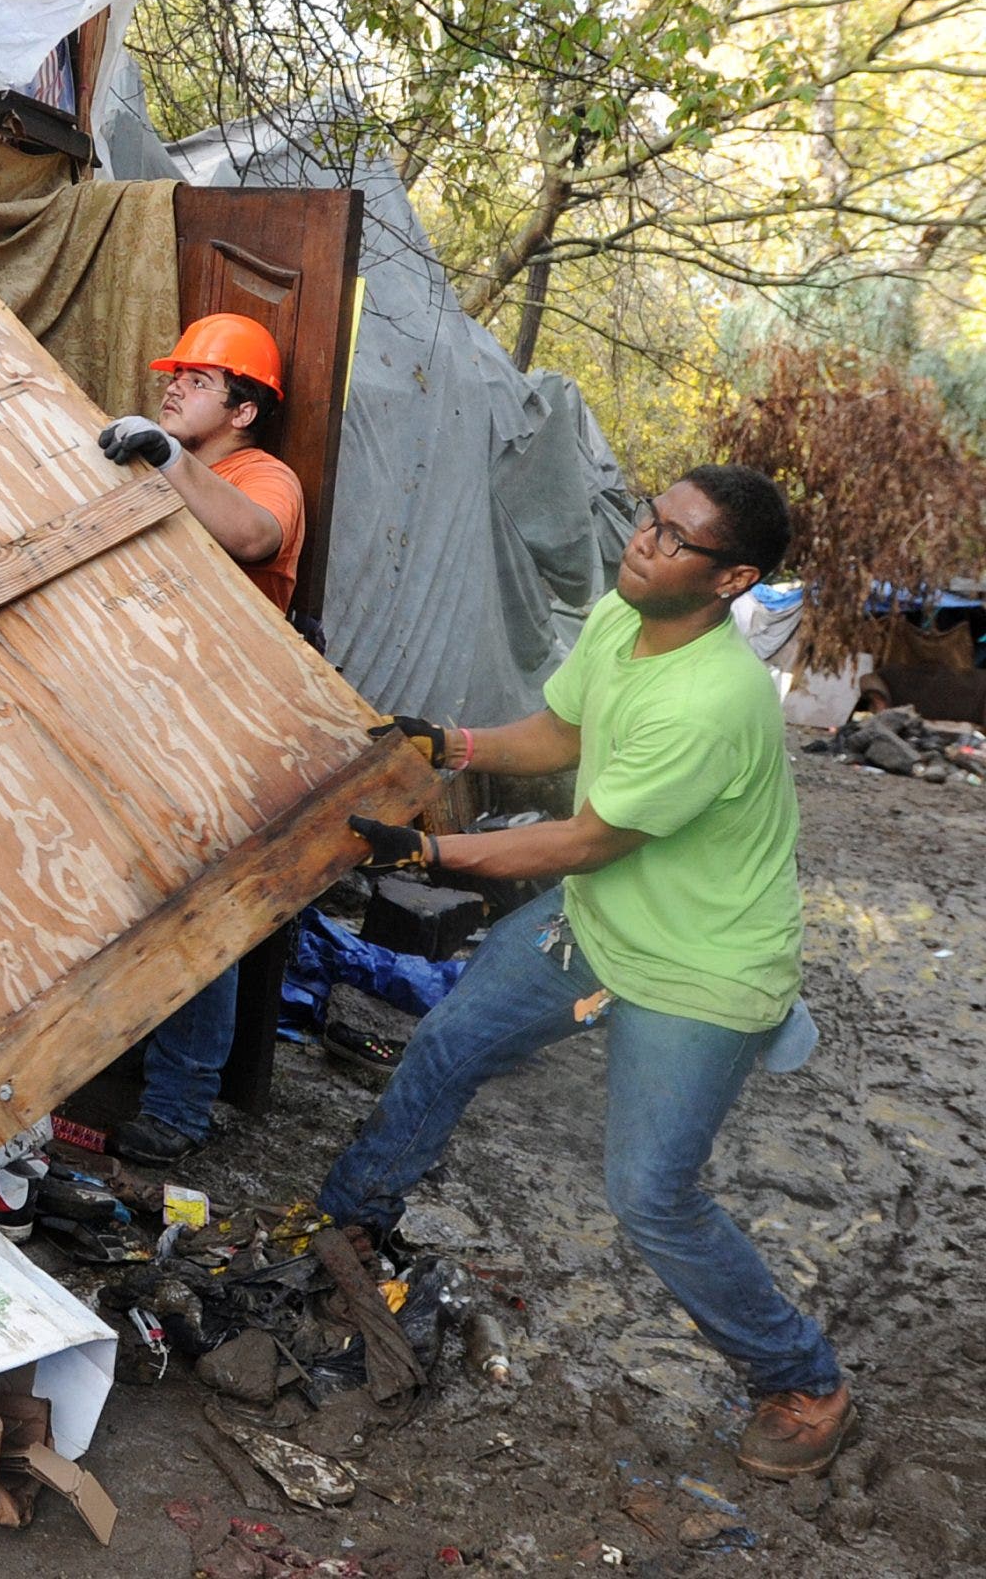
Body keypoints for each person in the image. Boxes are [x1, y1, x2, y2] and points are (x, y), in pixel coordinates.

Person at [330, 465, 853, 1480]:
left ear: (732, 579)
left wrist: (431, 853)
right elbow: (565, 731)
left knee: (650, 1194)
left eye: (675, 538)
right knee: (448, 1041)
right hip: (598, 924)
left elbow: (584, 840)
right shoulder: (625, 617)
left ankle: (804, 1381)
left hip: (700, 968)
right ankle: (348, 1226)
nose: (643, 541)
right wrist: (453, 743)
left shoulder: (713, 699)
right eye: (651, 518)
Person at [96, 313, 305, 1164]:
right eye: (173, 376)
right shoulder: (154, 468)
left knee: (202, 912)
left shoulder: (263, 476)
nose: (175, 388)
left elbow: (255, 536)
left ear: (244, 410)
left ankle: (179, 1109)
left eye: (198, 379)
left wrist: (168, 459)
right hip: (143, 710)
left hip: (224, 726)